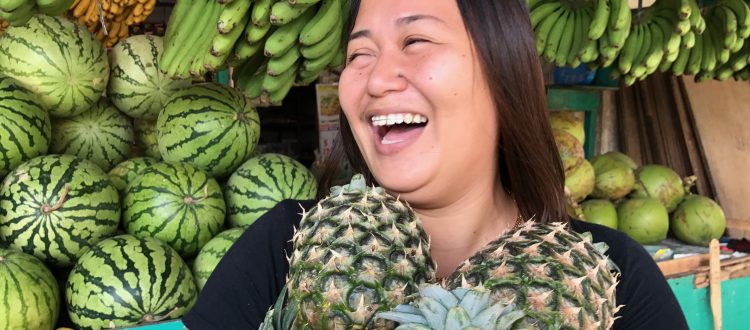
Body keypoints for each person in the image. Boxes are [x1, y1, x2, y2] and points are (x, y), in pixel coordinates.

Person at [183, 1, 689, 329]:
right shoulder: (287, 242)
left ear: (504, 71)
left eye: (416, 41)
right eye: (359, 54)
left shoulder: (603, 277)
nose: (377, 79)